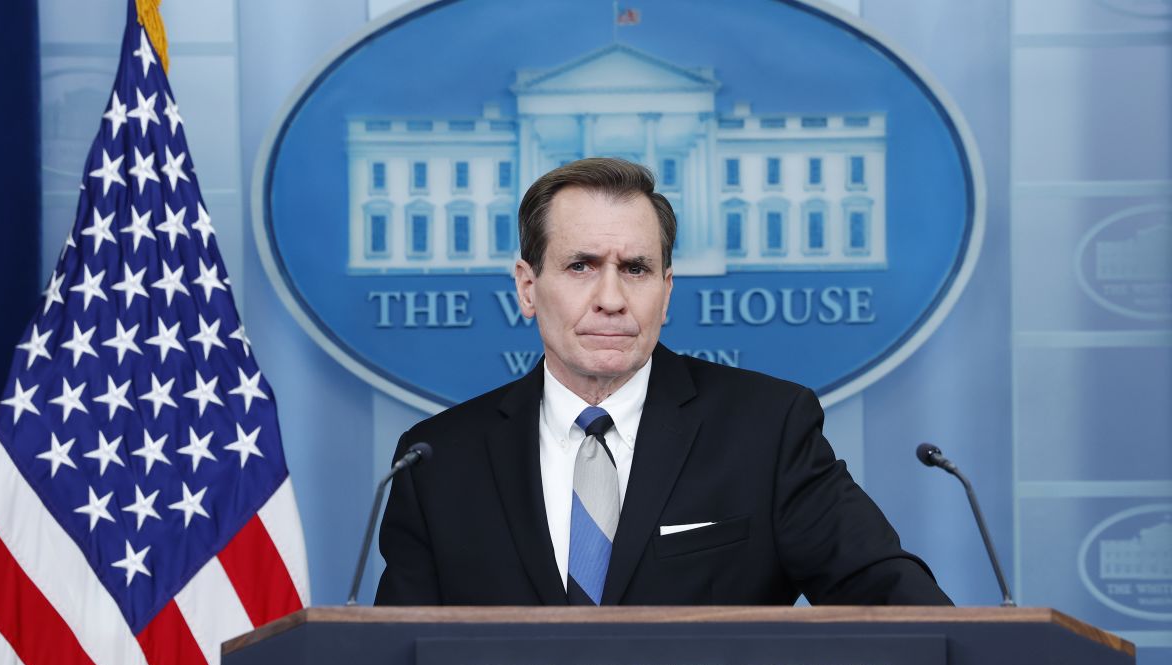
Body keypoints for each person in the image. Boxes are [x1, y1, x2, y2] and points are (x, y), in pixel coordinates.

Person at [374, 158, 952, 607]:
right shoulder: (438, 460)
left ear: (667, 290)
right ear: (527, 288)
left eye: (636, 269)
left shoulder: (766, 430)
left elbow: (889, 595)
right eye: (581, 267)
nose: (610, 299)